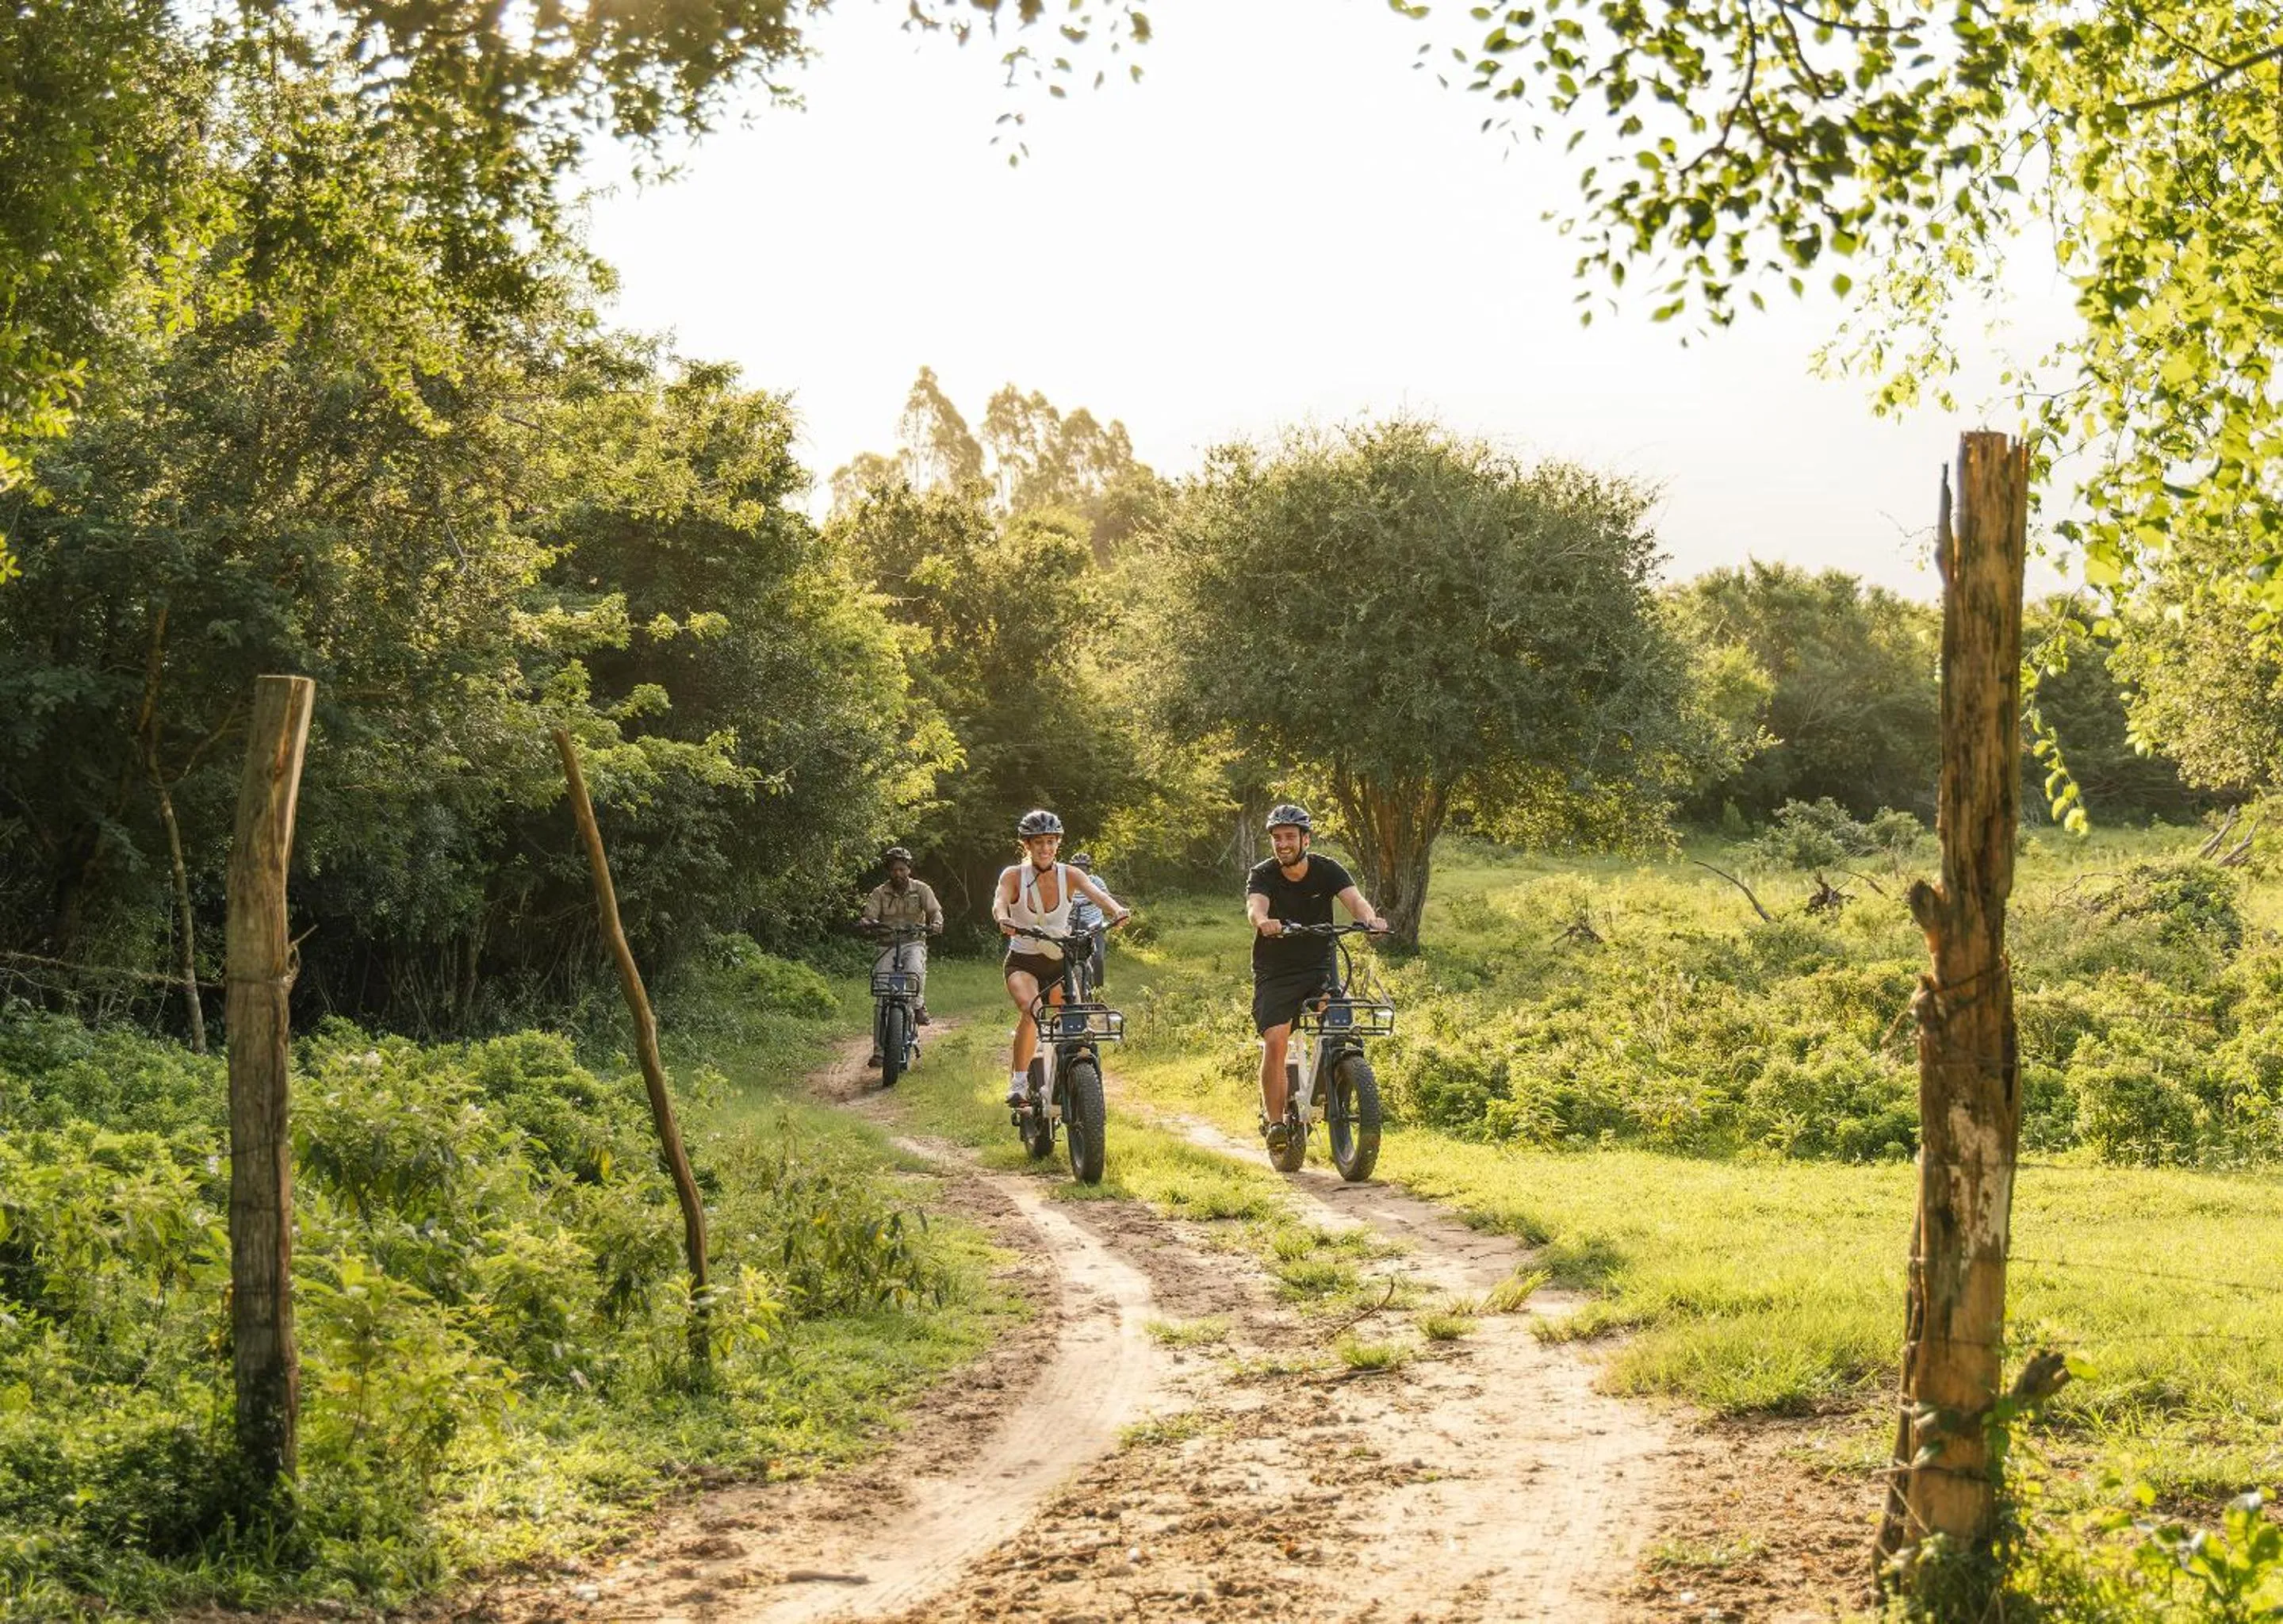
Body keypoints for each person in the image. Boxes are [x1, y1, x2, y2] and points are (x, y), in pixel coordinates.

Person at [1245, 803, 1389, 1155]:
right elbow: (1255, 907)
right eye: (1277, 838)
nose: (1283, 845)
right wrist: (1263, 921)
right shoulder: (1262, 874)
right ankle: (1277, 1122)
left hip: (1318, 966)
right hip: (1276, 971)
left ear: (1305, 839)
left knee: (1340, 1023)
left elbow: (1356, 901)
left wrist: (1370, 920)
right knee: (1276, 1040)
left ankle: (1337, 1080)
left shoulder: (1327, 869)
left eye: (1290, 837)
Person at [994, 810, 1130, 1108]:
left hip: (1060, 963)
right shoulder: (1014, 876)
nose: (1045, 848)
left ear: (1058, 844)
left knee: (1072, 1020)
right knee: (1033, 1010)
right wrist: (1003, 918)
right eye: (1039, 842)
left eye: (1051, 842)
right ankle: (1018, 1082)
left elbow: (1097, 895)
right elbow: (1000, 901)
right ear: (1027, 845)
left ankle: (1070, 1077)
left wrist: (1116, 910)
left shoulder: (1070, 874)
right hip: (1024, 961)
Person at [860, 845, 943, 1066]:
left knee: (915, 970)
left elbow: (935, 911)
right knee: (881, 993)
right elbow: (869, 915)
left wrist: (936, 924)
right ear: (889, 871)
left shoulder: (921, 889)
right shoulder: (879, 893)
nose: (899, 874)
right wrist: (867, 923)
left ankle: (917, 1006)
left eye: (902, 869)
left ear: (909, 869)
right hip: (887, 944)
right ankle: (879, 1052)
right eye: (895, 870)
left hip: (913, 942)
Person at [1067, 850, 1109, 994]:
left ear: (1088, 870)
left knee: (1098, 958)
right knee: (1062, 955)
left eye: (1083, 869)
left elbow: (1106, 899)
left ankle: (1099, 992)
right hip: (1073, 921)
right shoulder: (1067, 883)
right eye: (1077, 868)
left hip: (1094, 924)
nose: (1080, 872)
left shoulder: (1096, 882)